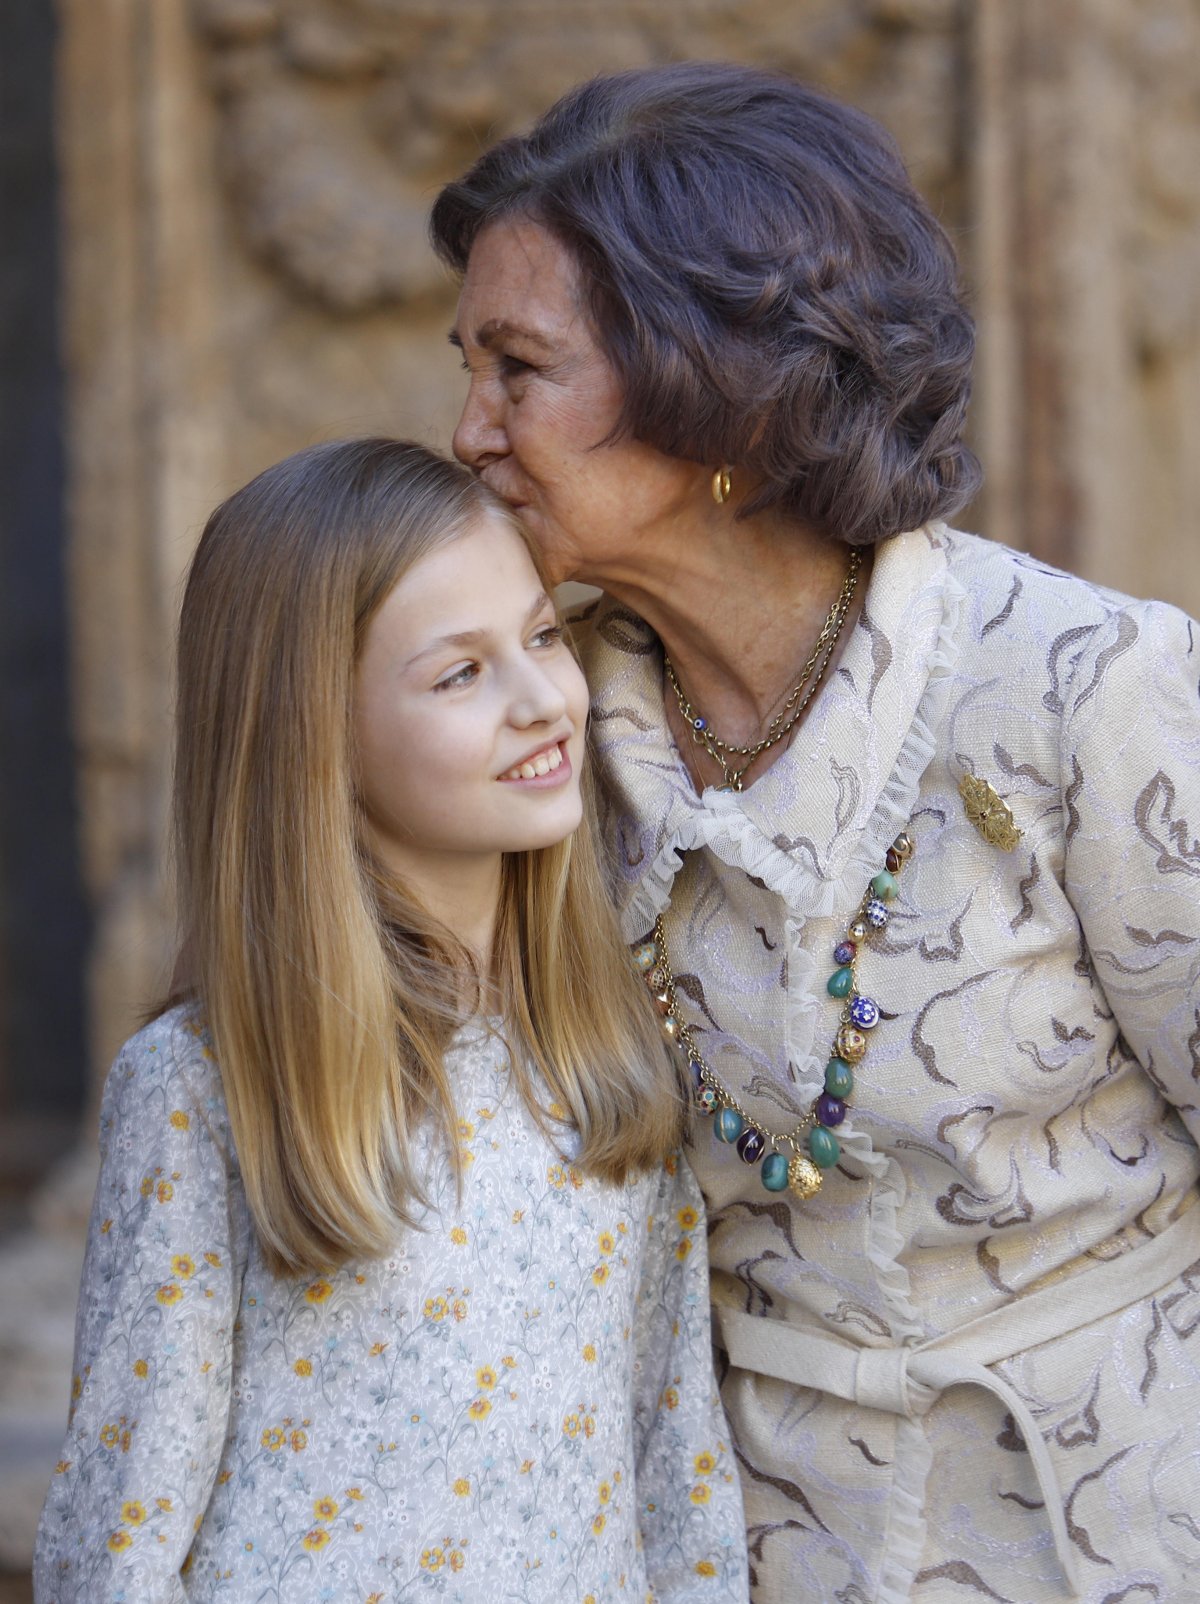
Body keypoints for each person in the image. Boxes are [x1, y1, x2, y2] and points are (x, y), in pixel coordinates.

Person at [430, 60, 1200, 1604]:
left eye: (519, 367)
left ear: (710, 380)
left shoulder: (1082, 686)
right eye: (468, 365)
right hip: (746, 1544)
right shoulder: (531, 742)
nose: (468, 429)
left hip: (1117, 1529)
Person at [33, 438, 749, 1603]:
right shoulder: (206, 1085)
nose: (540, 700)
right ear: (318, 734)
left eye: (543, 636)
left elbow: (678, 1466)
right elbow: (122, 1532)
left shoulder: (604, 1047)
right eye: (458, 674)